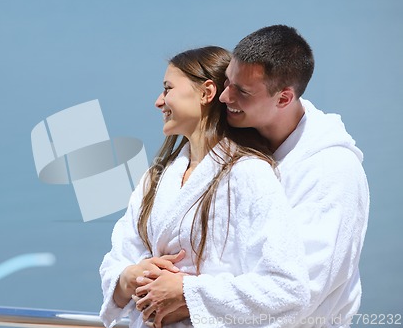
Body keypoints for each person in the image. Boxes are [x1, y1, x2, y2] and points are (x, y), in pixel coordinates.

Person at [138, 26, 370, 327]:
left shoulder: (332, 172)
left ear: (284, 98)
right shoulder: (233, 152)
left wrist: (187, 293)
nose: (224, 97)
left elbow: (302, 291)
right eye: (228, 82)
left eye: (242, 92)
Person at [99, 46, 310, 328]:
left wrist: (187, 293)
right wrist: (130, 277)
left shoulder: (248, 173)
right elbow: (117, 258)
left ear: (206, 92)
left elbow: (287, 287)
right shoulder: (155, 178)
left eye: (167, 88)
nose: (158, 102)